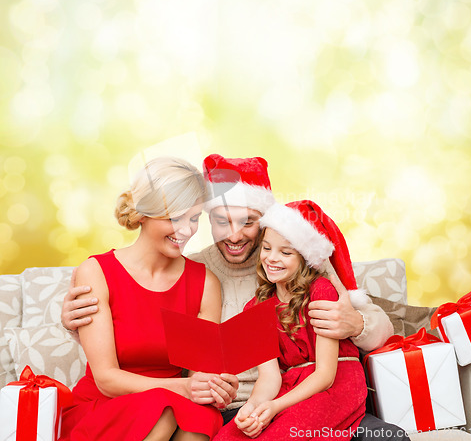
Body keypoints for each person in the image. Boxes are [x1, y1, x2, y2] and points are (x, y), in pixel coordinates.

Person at [62, 154, 408, 440]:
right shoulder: (198, 270)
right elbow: (169, 349)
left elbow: (380, 327)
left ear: (266, 220)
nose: (234, 235)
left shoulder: (301, 260)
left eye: (248, 222)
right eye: (219, 221)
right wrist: (76, 323)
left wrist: (357, 323)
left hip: (310, 396)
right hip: (238, 408)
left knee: (386, 438)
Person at [60, 157, 238, 441]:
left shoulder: (205, 283)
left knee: (201, 417)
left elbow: (199, 373)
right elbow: (107, 380)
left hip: (173, 402)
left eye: (193, 219)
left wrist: (213, 386)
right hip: (106, 407)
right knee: (163, 409)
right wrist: (185, 389)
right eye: (174, 218)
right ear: (143, 213)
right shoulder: (96, 273)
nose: (186, 230)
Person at [215, 200, 367, 440]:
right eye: (266, 248)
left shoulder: (321, 291)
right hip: (290, 385)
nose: (272, 259)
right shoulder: (254, 308)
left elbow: (326, 376)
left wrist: (276, 407)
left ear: (304, 258)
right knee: (229, 436)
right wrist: (252, 407)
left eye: (285, 252)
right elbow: (269, 377)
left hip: (335, 385)